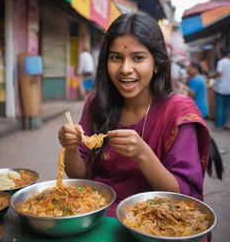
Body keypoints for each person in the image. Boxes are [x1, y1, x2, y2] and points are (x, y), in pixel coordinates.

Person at [58, 12, 210, 220]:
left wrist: (142, 154)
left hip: (156, 221)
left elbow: (183, 196)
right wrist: (71, 147)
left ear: (157, 63)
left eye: (138, 58)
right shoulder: (97, 103)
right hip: (97, 213)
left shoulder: (178, 112)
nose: (125, 69)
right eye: (116, 58)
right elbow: (79, 175)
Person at [211, 48, 230, 130]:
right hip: (228, 89)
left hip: (221, 88)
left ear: (221, 54)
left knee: (220, 107)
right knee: (226, 107)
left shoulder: (221, 62)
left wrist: (212, 75)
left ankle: (218, 125)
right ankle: (224, 124)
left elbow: (219, 73)